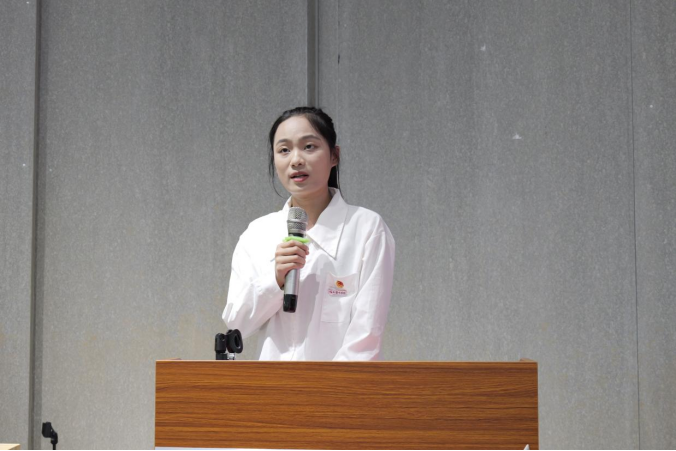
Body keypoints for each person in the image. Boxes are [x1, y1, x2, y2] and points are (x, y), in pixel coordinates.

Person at [222, 106, 395, 360]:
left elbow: (365, 340)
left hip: (339, 385)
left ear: (334, 155)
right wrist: (275, 280)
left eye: (309, 146)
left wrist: (321, 385)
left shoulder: (366, 229)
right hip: (272, 384)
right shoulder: (257, 234)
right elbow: (237, 323)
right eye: (284, 150)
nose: (296, 160)